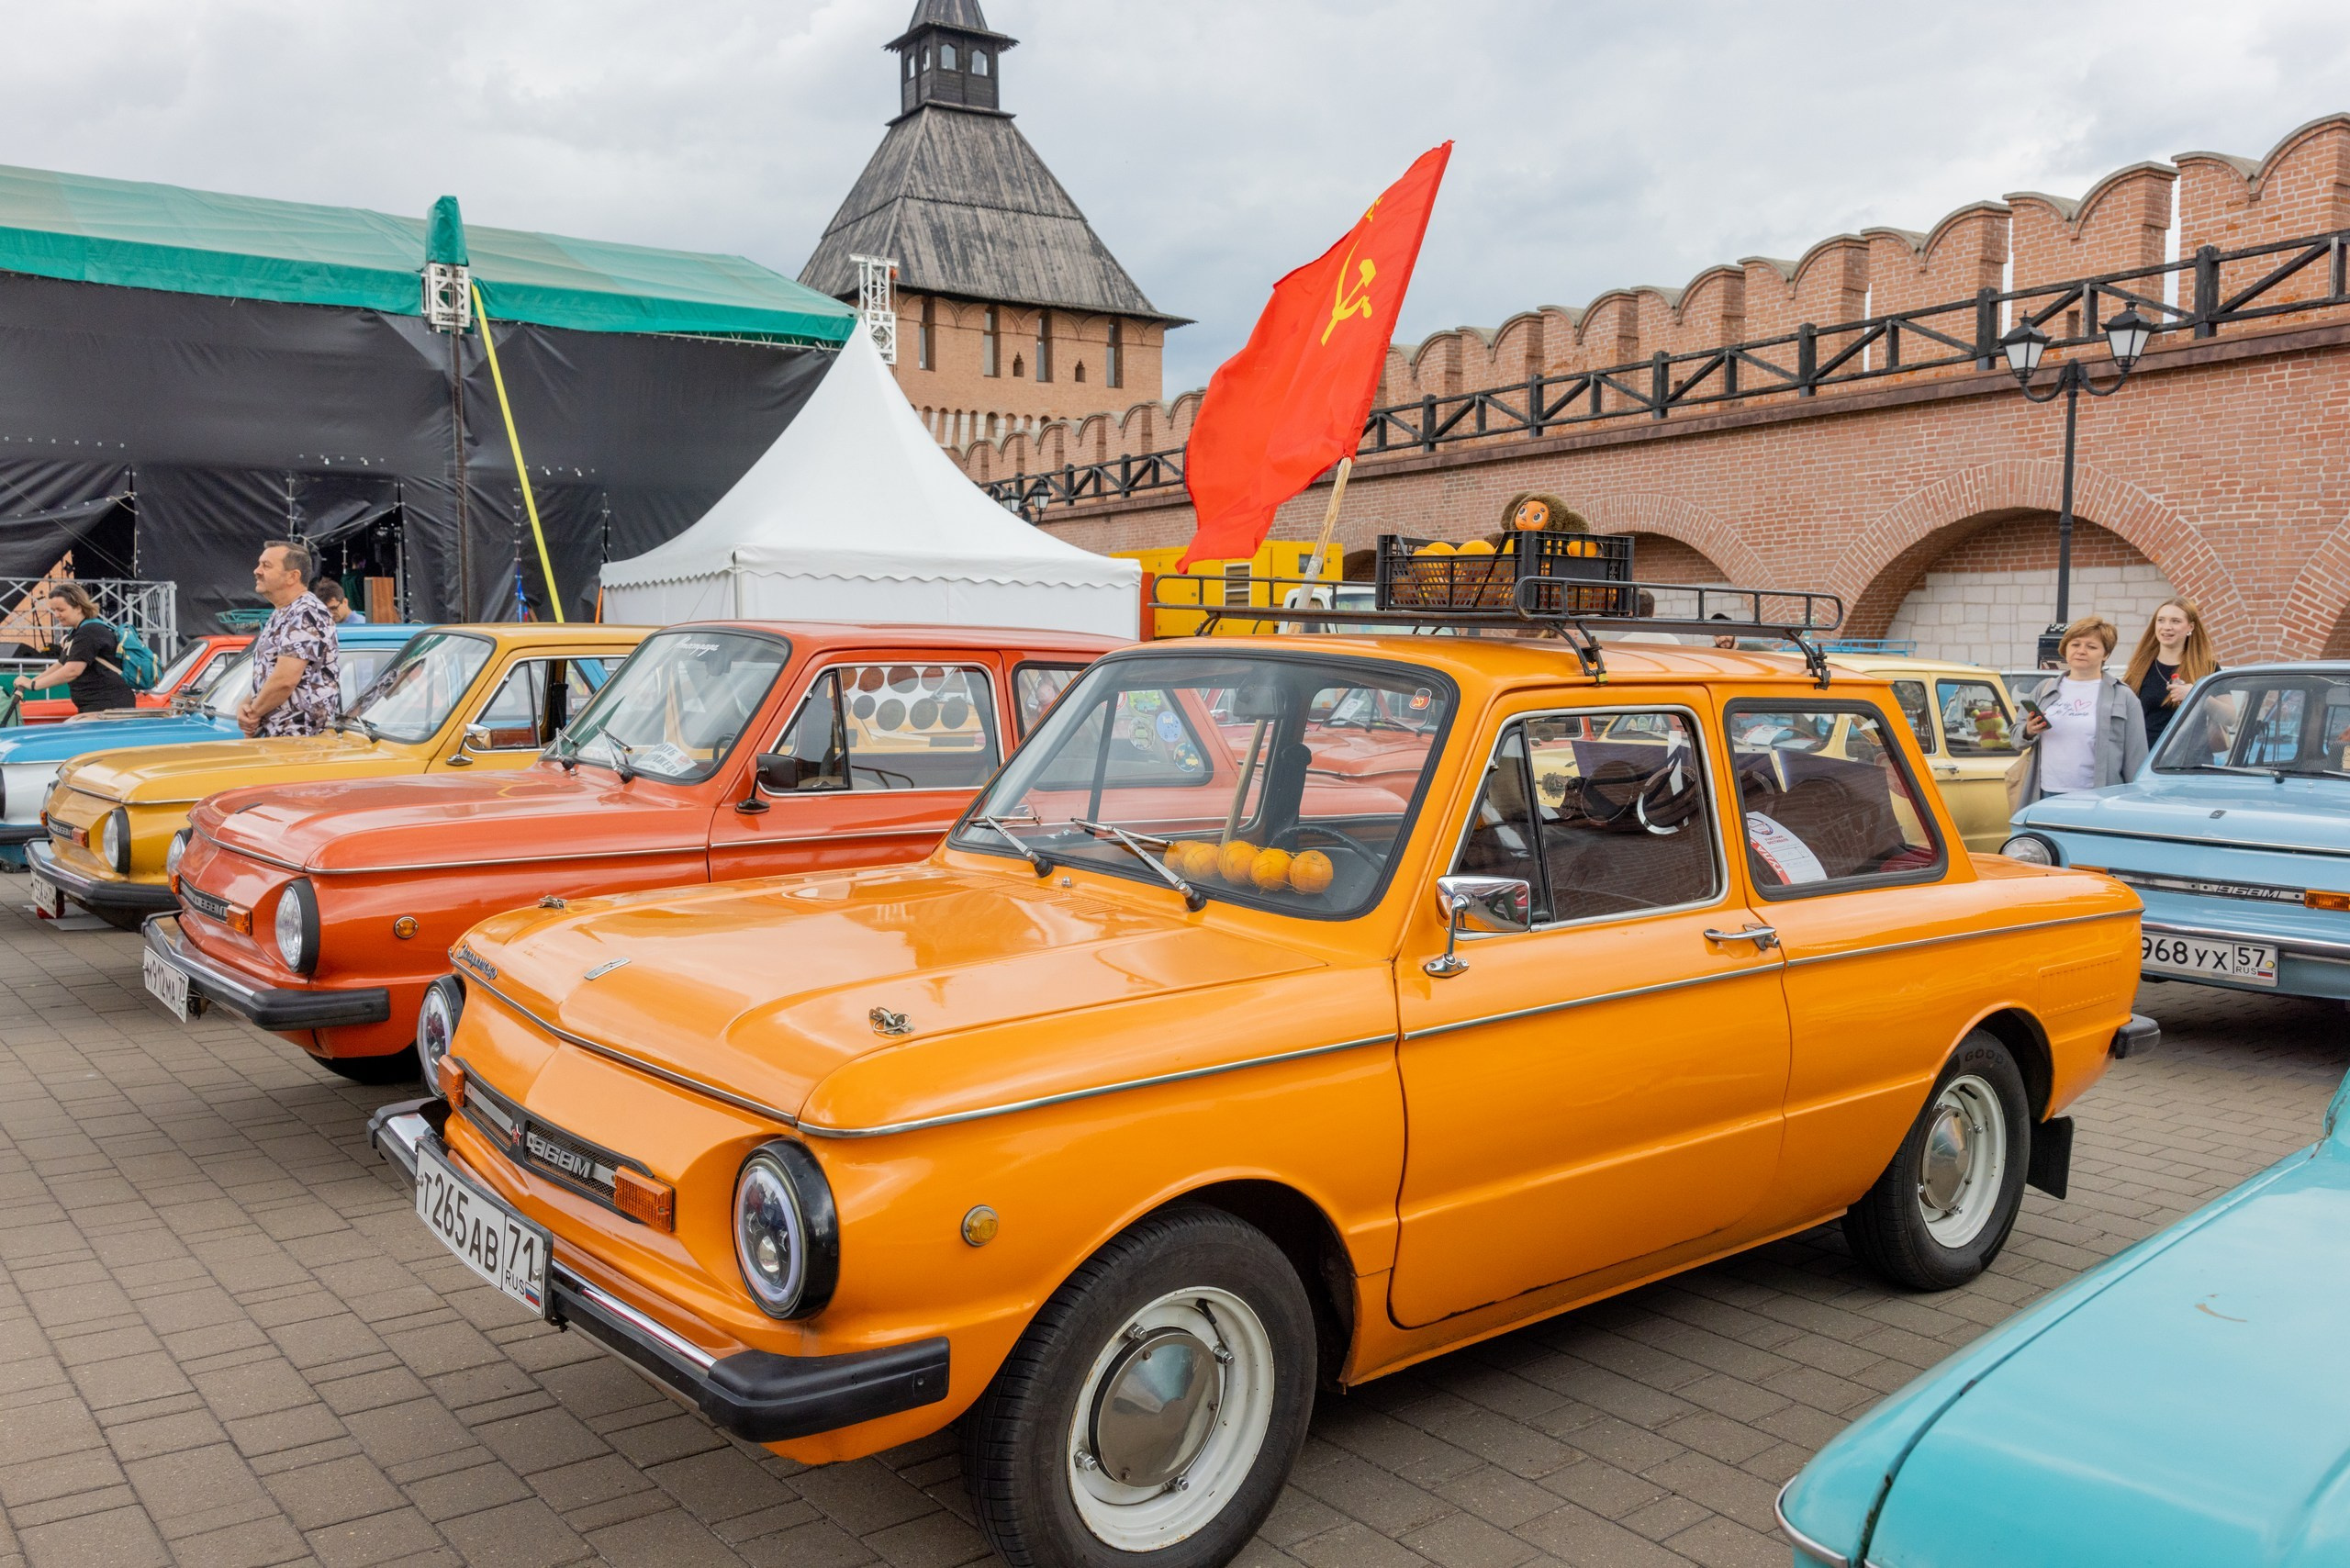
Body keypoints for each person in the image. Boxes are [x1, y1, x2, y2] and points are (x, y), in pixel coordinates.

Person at [2014, 613, 2146, 805]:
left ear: (2106, 654)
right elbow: (2015, 739)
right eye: (2075, 644)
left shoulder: (2124, 696)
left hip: (2097, 798)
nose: (2081, 651)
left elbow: (2136, 758)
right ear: (2065, 648)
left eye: (2091, 646)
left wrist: (2133, 803)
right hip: (2045, 793)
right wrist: (2028, 731)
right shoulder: (2044, 690)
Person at [240, 541, 341, 738]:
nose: (257, 571)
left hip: (299, 743)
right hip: (280, 739)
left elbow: (285, 680)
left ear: (293, 576)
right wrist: (244, 705)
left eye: (266, 565)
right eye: (259, 564)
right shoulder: (283, 612)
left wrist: (252, 713)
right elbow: (268, 675)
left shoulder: (306, 612)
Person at [8, 582, 137, 712]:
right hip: (98, 706)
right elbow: (60, 664)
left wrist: (34, 685)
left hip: (108, 707)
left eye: (61, 610)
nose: (56, 615)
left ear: (79, 607)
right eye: (54, 610)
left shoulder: (89, 632)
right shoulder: (77, 632)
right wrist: (31, 681)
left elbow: (72, 671)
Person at [2122, 597, 2217, 750]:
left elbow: (2229, 716)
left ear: (2190, 627)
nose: (2167, 627)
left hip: (2191, 762)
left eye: (2175, 621)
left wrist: (2196, 695)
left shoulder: (2207, 667)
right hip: (2148, 761)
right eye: (2161, 620)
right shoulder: (2140, 667)